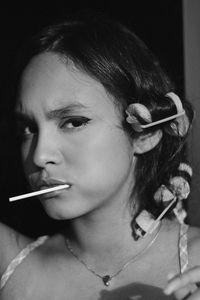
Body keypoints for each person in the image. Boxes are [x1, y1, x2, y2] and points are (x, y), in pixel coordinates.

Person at [0, 10, 200, 300]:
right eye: (28, 128)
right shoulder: (9, 267)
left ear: (146, 133)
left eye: (73, 122)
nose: (40, 155)